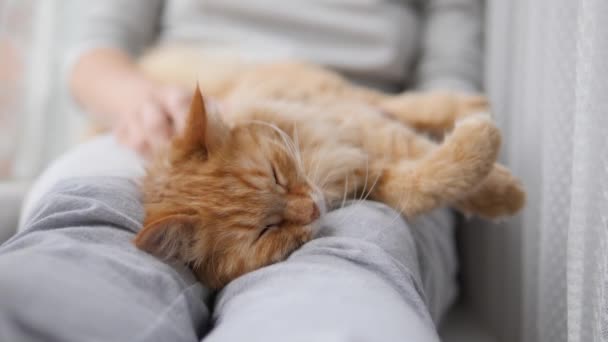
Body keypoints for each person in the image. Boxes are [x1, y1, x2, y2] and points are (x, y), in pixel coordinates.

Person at [0, 1, 483, 341]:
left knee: (352, 255)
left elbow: (452, 86)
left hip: (358, 126)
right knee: (93, 227)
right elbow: (91, 55)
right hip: (181, 118)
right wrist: (144, 105)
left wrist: (382, 123)